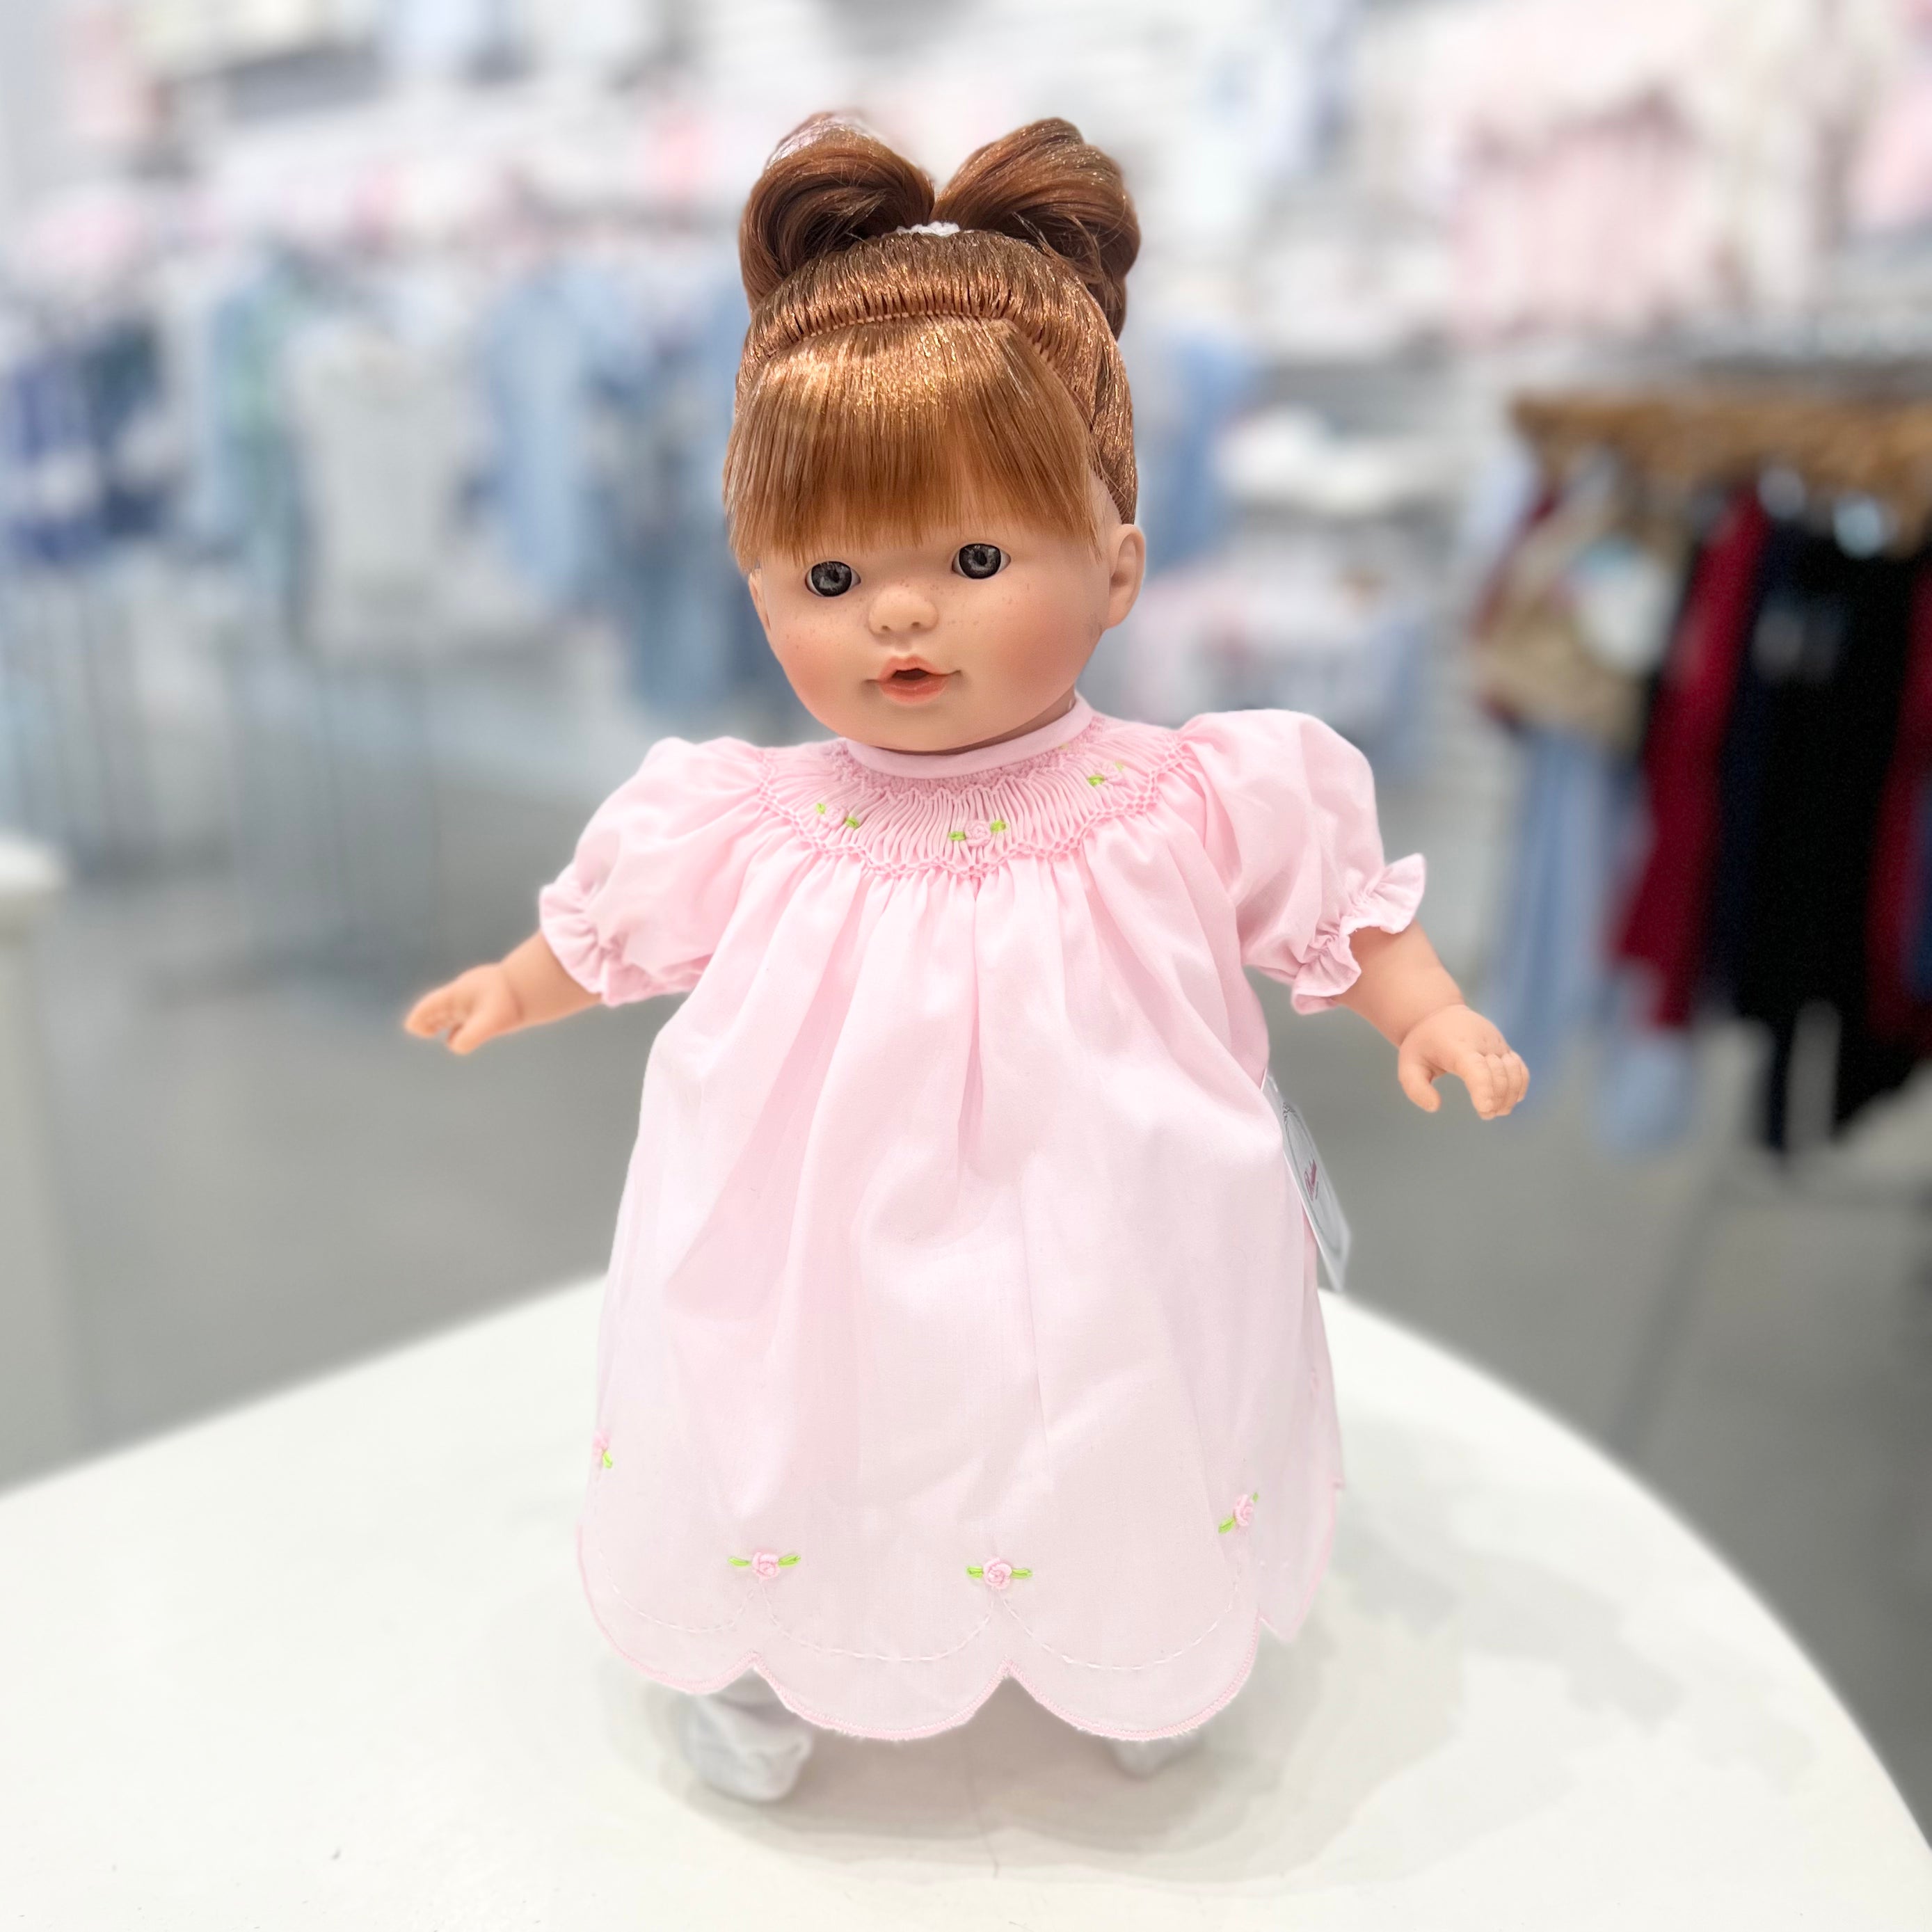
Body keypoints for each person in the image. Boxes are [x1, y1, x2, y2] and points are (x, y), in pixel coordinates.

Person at [406, 116, 1527, 1803]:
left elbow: (1340, 905)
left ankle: (1134, 1627)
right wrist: (520, 982)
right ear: (759, 590)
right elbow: (614, 928)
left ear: (1117, 566)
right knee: (795, 1414)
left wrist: (1423, 1007)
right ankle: (768, 1647)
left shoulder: (1186, 798)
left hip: (1114, 1216)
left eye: (977, 561)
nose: (900, 616)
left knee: (1114, 1404)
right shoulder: (745, 819)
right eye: (833, 574)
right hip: (814, 1237)